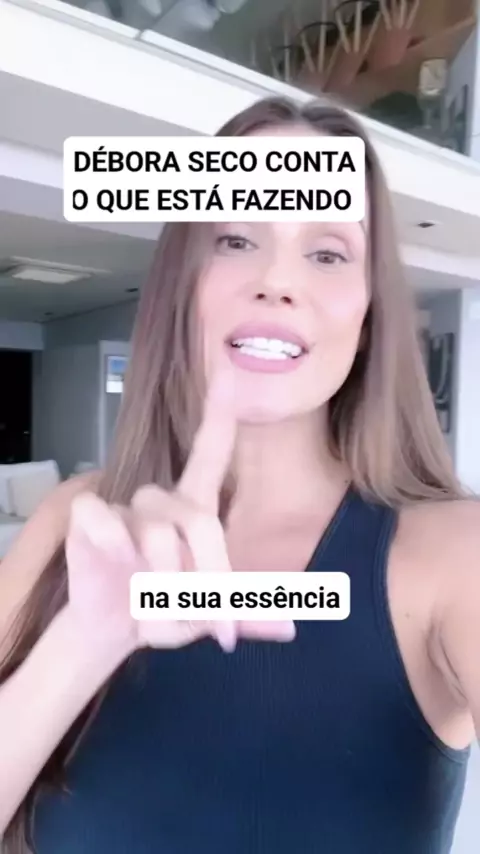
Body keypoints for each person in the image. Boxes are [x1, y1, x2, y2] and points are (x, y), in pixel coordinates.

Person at [0, 96, 479, 854]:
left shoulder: (455, 555)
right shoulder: (74, 517)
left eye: (328, 252)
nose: (276, 280)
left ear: (368, 316)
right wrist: (84, 642)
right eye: (235, 238)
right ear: (182, 289)